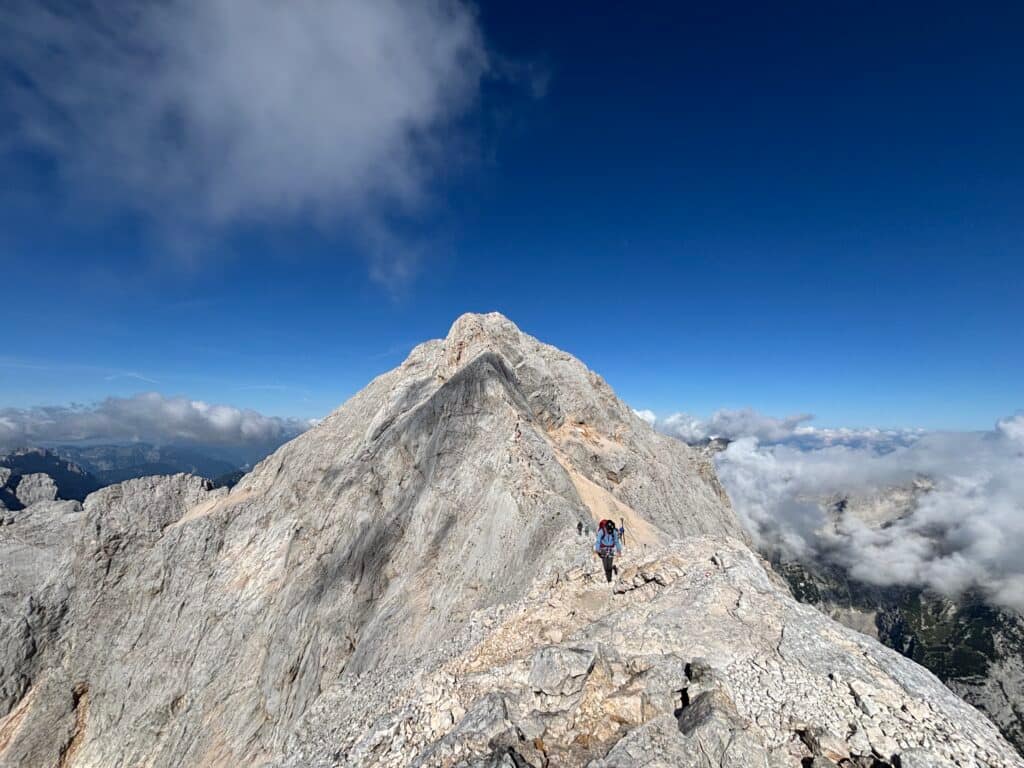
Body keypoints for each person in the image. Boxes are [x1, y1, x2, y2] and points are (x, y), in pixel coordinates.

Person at [594, 519, 623, 583]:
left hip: (611, 549)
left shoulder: (614, 531)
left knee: (609, 564)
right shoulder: (602, 531)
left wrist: (619, 551)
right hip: (603, 549)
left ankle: (609, 579)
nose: (610, 531)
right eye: (609, 530)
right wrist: (596, 550)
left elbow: (616, 541)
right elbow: (598, 541)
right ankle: (608, 577)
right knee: (605, 564)